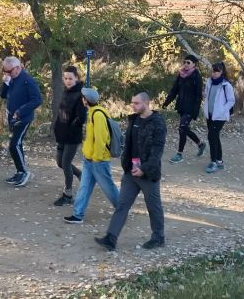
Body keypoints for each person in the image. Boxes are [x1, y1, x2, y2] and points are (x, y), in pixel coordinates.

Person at [94, 92, 166, 251]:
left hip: (148, 174)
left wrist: (144, 169)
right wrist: (127, 165)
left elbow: (157, 151)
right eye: (132, 103)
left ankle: (158, 237)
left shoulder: (158, 122)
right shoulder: (134, 120)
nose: (133, 106)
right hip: (131, 172)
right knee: (122, 205)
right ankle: (111, 238)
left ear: (146, 103)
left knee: (153, 206)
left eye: (137, 103)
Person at [64, 87, 119, 224]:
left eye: (82, 97)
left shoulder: (98, 115)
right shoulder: (93, 112)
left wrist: (96, 159)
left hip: (98, 160)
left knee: (109, 187)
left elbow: (101, 139)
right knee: (84, 187)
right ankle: (78, 215)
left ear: (85, 100)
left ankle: (122, 208)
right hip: (90, 159)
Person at [0, 56, 43, 187]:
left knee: (14, 144)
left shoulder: (28, 80)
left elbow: (37, 100)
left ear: (18, 68)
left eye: (9, 71)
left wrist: (20, 111)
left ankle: (24, 172)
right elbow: (3, 95)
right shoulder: (12, 79)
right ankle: (20, 171)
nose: (7, 74)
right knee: (15, 145)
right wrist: (5, 83)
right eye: (5, 71)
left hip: (24, 118)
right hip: (12, 118)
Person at [163, 54, 207, 164]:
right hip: (182, 106)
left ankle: (179, 154)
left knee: (182, 128)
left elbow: (198, 96)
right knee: (185, 128)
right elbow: (174, 90)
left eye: (188, 63)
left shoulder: (197, 76)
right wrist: (167, 102)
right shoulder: (181, 75)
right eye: (185, 62)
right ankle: (200, 144)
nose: (186, 64)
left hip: (191, 108)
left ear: (194, 64)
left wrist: (196, 111)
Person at [52, 66, 86, 206]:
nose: (68, 81)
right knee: (60, 162)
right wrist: (57, 126)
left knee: (65, 163)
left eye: (70, 78)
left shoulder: (79, 95)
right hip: (61, 134)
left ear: (76, 78)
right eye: (65, 78)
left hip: (72, 136)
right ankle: (81, 175)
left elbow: (81, 117)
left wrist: (72, 126)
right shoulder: (66, 92)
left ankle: (68, 195)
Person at [202, 62, 235, 173]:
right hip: (210, 114)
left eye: (217, 71)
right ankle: (219, 160)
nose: (214, 73)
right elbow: (207, 93)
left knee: (211, 136)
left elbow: (231, 101)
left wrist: (222, 110)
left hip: (220, 117)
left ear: (222, 72)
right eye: (213, 71)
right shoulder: (209, 82)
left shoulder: (226, 85)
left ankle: (213, 162)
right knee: (215, 136)